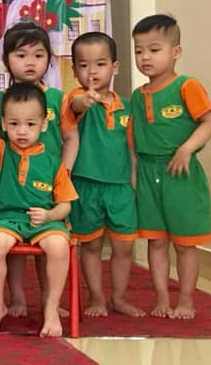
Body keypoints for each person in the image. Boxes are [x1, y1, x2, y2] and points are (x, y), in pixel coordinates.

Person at [130, 14, 211, 320]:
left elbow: (210, 122)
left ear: (175, 51)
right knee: (156, 240)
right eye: (139, 50)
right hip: (147, 173)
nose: (145, 57)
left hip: (181, 174)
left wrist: (186, 149)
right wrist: (133, 173)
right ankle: (162, 298)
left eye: (154, 50)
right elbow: (132, 140)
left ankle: (186, 300)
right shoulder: (137, 96)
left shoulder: (186, 86)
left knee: (184, 244)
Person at [0, 83, 78, 338]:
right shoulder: (1, 151)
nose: (22, 131)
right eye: (14, 124)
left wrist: (50, 215)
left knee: (59, 245)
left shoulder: (53, 162)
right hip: (6, 219)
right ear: (4, 124)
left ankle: (51, 308)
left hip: (46, 221)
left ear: (44, 125)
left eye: (30, 124)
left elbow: (65, 204)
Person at [0, 22, 68, 317]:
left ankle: (49, 303)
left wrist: (65, 171)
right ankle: (14, 299)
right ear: (6, 60)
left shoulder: (57, 98)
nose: (30, 62)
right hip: (10, 188)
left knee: (52, 246)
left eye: (38, 55)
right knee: (8, 247)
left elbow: (71, 136)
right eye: (21, 55)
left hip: (46, 186)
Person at [60, 32, 143, 318]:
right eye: (84, 65)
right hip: (85, 186)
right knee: (91, 245)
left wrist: (135, 187)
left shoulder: (128, 107)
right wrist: (86, 101)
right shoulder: (74, 99)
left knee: (124, 245)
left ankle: (118, 298)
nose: (92, 71)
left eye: (100, 64)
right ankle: (96, 297)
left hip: (120, 188)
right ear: (74, 70)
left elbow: (132, 151)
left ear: (115, 67)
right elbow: (76, 106)